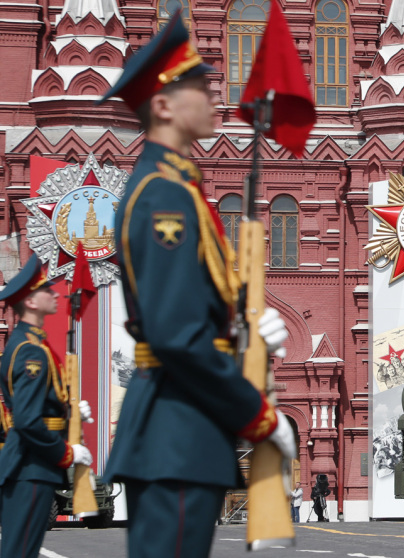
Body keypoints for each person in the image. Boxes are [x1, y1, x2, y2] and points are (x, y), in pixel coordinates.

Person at [96, 11, 294, 558]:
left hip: (181, 429)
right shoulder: (165, 198)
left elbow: (194, 312)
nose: (215, 99)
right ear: (162, 106)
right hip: (175, 430)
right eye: (200, 88)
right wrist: (256, 414)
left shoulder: (178, 188)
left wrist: (246, 329)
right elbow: (177, 334)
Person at [0, 255, 94, 558]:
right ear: (30, 302)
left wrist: (69, 414)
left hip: (32, 464)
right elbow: (27, 420)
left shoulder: (32, 345)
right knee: (20, 552)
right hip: (32, 464)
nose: (55, 294)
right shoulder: (31, 352)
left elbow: (37, 406)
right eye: (46, 290)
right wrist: (66, 454)